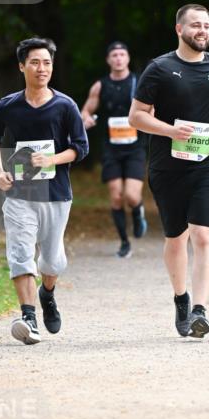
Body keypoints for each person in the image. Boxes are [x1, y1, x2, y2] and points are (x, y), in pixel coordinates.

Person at [129, 4, 209, 338]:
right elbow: (136, 116)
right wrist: (171, 130)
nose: (202, 31)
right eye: (195, 25)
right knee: (176, 238)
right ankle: (181, 298)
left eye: (207, 25)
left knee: (203, 235)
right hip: (168, 165)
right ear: (179, 29)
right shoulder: (160, 68)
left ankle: (200, 310)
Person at [0, 37, 89, 345]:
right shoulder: (7, 106)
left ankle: (48, 293)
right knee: (20, 253)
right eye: (35, 62)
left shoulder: (65, 105)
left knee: (52, 261)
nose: (42, 68)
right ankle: (28, 317)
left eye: (47, 63)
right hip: (19, 194)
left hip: (56, 193)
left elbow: (80, 148)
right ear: (22, 67)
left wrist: (51, 159)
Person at [81, 41, 147, 259]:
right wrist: (86, 119)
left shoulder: (138, 82)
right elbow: (85, 111)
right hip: (111, 149)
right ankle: (124, 242)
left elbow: (151, 109)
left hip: (135, 148)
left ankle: (137, 211)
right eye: (114, 55)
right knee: (116, 197)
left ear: (128, 58)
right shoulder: (100, 86)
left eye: (122, 54)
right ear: (108, 60)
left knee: (131, 196)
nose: (118, 58)